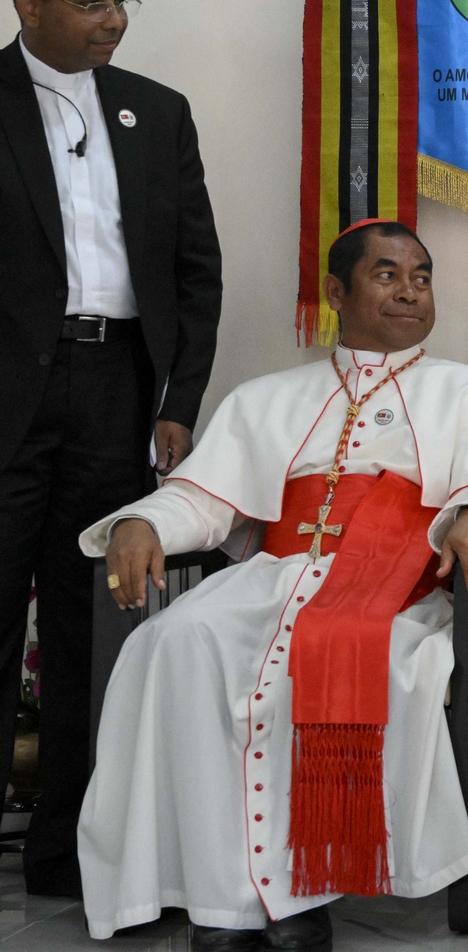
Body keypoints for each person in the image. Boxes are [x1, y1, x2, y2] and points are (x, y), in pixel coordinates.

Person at [76, 220, 468, 952]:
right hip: (275, 577)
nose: (409, 290)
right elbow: (203, 498)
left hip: (400, 592)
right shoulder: (267, 398)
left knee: (345, 656)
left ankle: (302, 895)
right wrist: (143, 522)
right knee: (178, 639)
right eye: (387, 274)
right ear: (335, 291)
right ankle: (221, 897)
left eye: (420, 276)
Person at [1, 0, 221, 897]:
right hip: (12, 385)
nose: (115, 19)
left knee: (88, 626)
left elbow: (196, 269)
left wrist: (180, 397)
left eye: (120, 1)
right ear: (28, 6)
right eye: (91, 3)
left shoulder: (156, 110)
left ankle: (67, 851)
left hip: (117, 387)